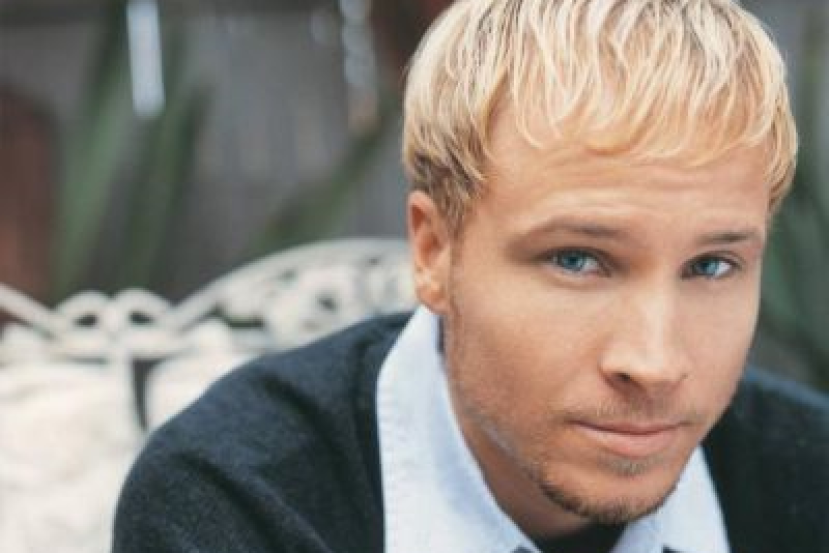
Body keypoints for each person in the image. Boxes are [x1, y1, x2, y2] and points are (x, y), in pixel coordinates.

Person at [113, 1, 829, 552]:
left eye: (711, 265)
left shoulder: (808, 477)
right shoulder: (240, 502)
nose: (655, 362)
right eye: (576, 259)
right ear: (434, 251)